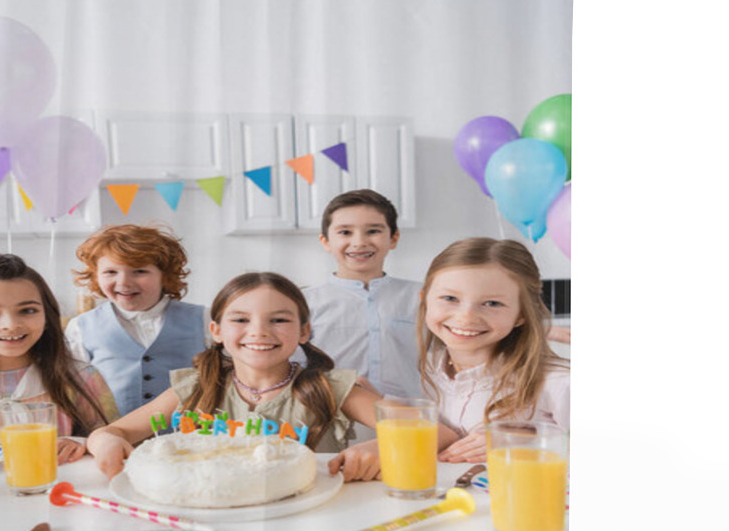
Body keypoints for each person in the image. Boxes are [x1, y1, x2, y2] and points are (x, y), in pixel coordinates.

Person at [88, 271, 459, 481]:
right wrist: (105, 444)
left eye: (279, 319)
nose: (259, 331)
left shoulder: (332, 388)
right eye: (241, 320)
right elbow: (111, 433)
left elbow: (439, 431)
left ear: (303, 331)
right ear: (216, 330)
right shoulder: (195, 387)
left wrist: (383, 446)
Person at [0, 253, 118, 463]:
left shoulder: (82, 378)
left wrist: (83, 445)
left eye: (27, 310)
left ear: (47, 315)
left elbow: (113, 440)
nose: (10, 324)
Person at [418, 238, 570, 465]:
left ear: (522, 314)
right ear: (424, 300)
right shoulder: (423, 372)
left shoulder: (557, 383)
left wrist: (527, 441)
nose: (466, 316)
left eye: (492, 303)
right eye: (450, 298)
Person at [66, 224, 207, 417]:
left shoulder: (204, 319)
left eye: (139, 271)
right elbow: (75, 392)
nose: (124, 282)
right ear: (96, 276)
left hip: (189, 438)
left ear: (164, 275)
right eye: (111, 272)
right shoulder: (81, 327)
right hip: (113, 437)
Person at [303, 189, 423, 398]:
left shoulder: (423, 296)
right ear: (326, 242)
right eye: (345, 232)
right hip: (331, 419)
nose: (359, 242)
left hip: (408, 419)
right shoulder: (304, 303)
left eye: (373, 231)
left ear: (393, 238)